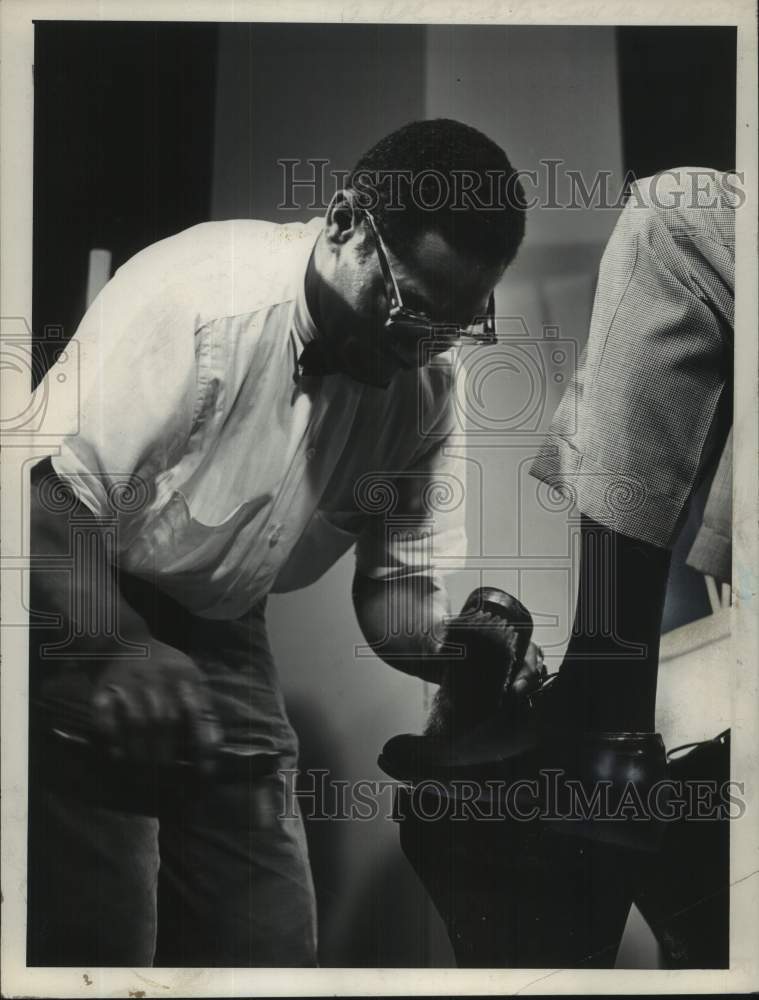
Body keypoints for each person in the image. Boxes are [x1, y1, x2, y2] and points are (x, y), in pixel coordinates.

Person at [27, 118, 531, 967]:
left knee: (266, 942)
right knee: (104, 937)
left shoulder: (427, 381)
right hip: (78, 592)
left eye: (452, 327)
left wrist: (457, 656)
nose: (419, 353)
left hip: (223, 624)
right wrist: (117, 648)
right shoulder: (197, 299)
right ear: (342, 222)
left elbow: (393, 589)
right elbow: (40, 505)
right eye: (407, 311)